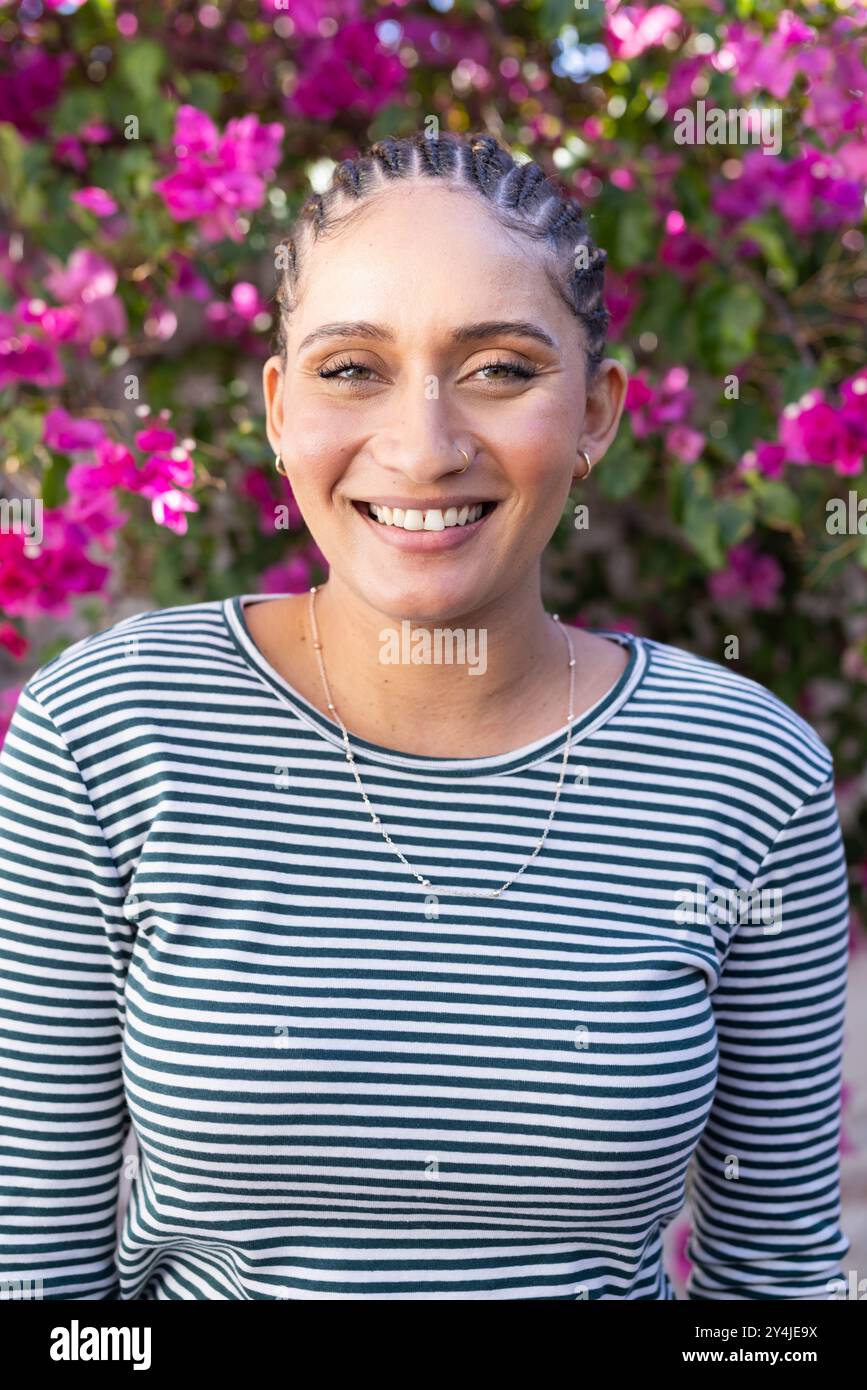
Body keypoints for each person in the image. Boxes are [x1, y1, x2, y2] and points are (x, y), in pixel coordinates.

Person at [0, 131, 850, 1300]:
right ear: (279, 408)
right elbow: (33, 1271)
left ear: (598, 412)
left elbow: (777, 1288)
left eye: (501, 367)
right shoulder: (110, 729)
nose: (424, 446)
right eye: (352, 368)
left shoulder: (746, 771)